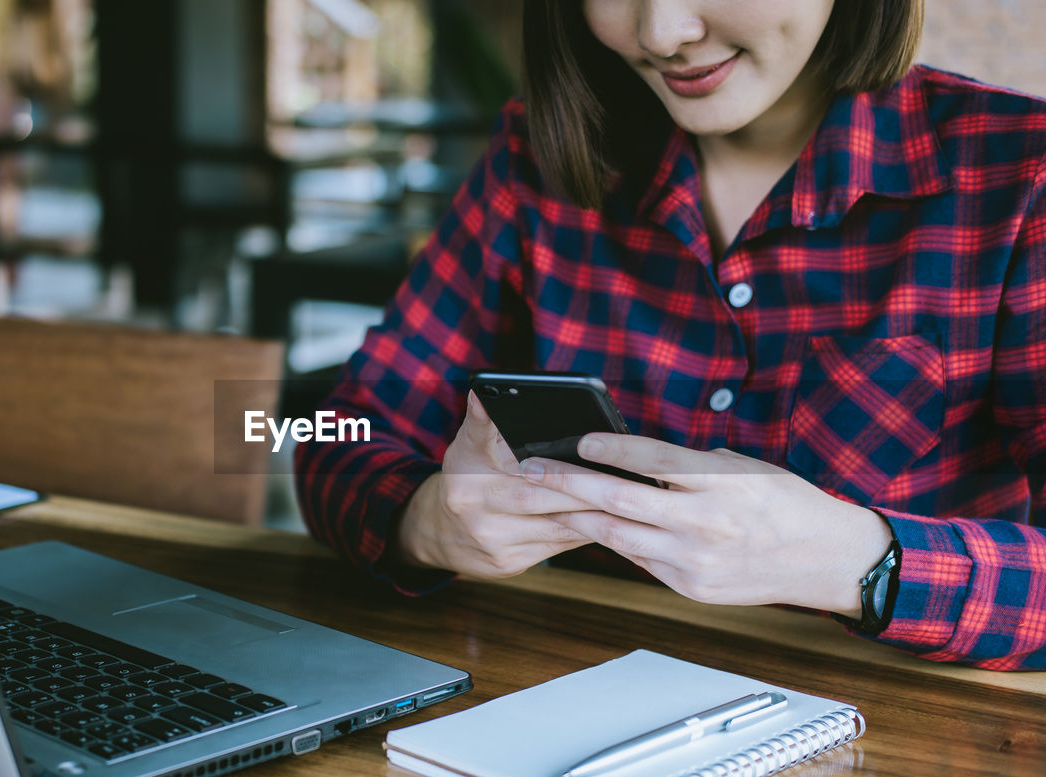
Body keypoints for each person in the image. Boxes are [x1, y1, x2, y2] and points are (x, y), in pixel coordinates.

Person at [294, 0, 1046, 671]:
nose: (661, 32)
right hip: (561, 714)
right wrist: (426, 521)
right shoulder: (536, 156)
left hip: (903, 761)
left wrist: (858, 561)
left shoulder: (1019, 174)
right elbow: (340, 426)